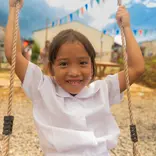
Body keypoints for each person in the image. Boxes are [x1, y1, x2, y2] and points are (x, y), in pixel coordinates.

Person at [5, 0, 145, 156]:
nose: (74, 72)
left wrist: (126, 28)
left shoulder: (102, 90)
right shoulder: (43, 89)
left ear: (92, 66)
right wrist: (13, 10)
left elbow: (136, 68)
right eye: (64, 64)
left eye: (83, 63)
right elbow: (14, 55)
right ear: (52, 68)